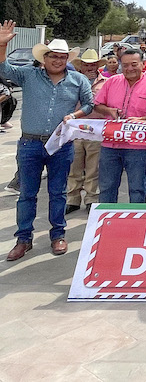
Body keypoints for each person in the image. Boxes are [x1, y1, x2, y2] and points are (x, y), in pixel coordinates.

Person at [0, 26, 93, 261]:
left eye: (63, 57)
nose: (58, 60)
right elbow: (3, 68)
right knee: (27, 194)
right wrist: (2, 45)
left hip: (60, 145)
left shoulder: (78, 79)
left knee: (58, 192)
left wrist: (75, 115)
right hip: (29, 144)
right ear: (45, 58)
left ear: (67, 59)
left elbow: (89, 104)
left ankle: (58, 235)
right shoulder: (29, 75)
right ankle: (23, 239)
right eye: (54, 56)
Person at [94, 50, 146, 203]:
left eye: (134, 64)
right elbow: (97, 105)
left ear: (143, 64)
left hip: (138, 146)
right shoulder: (111, 82)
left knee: (137, 188)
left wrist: (141, 120)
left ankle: (136, 222)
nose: (129, 69)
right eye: (125, 65)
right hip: (110, 144)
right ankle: (107, 221)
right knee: (107, 186)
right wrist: (109, 110)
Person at [65, 49, 108, 213]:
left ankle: (91, 199)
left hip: (96, 129)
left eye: (93, 65)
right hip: (75, 129)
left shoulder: (106, 82)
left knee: (93, 167)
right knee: (73, 167)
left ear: (98, 65)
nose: (90, 68)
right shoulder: (71, 81)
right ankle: (73, 199)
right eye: (86, 65)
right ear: (81, 66)